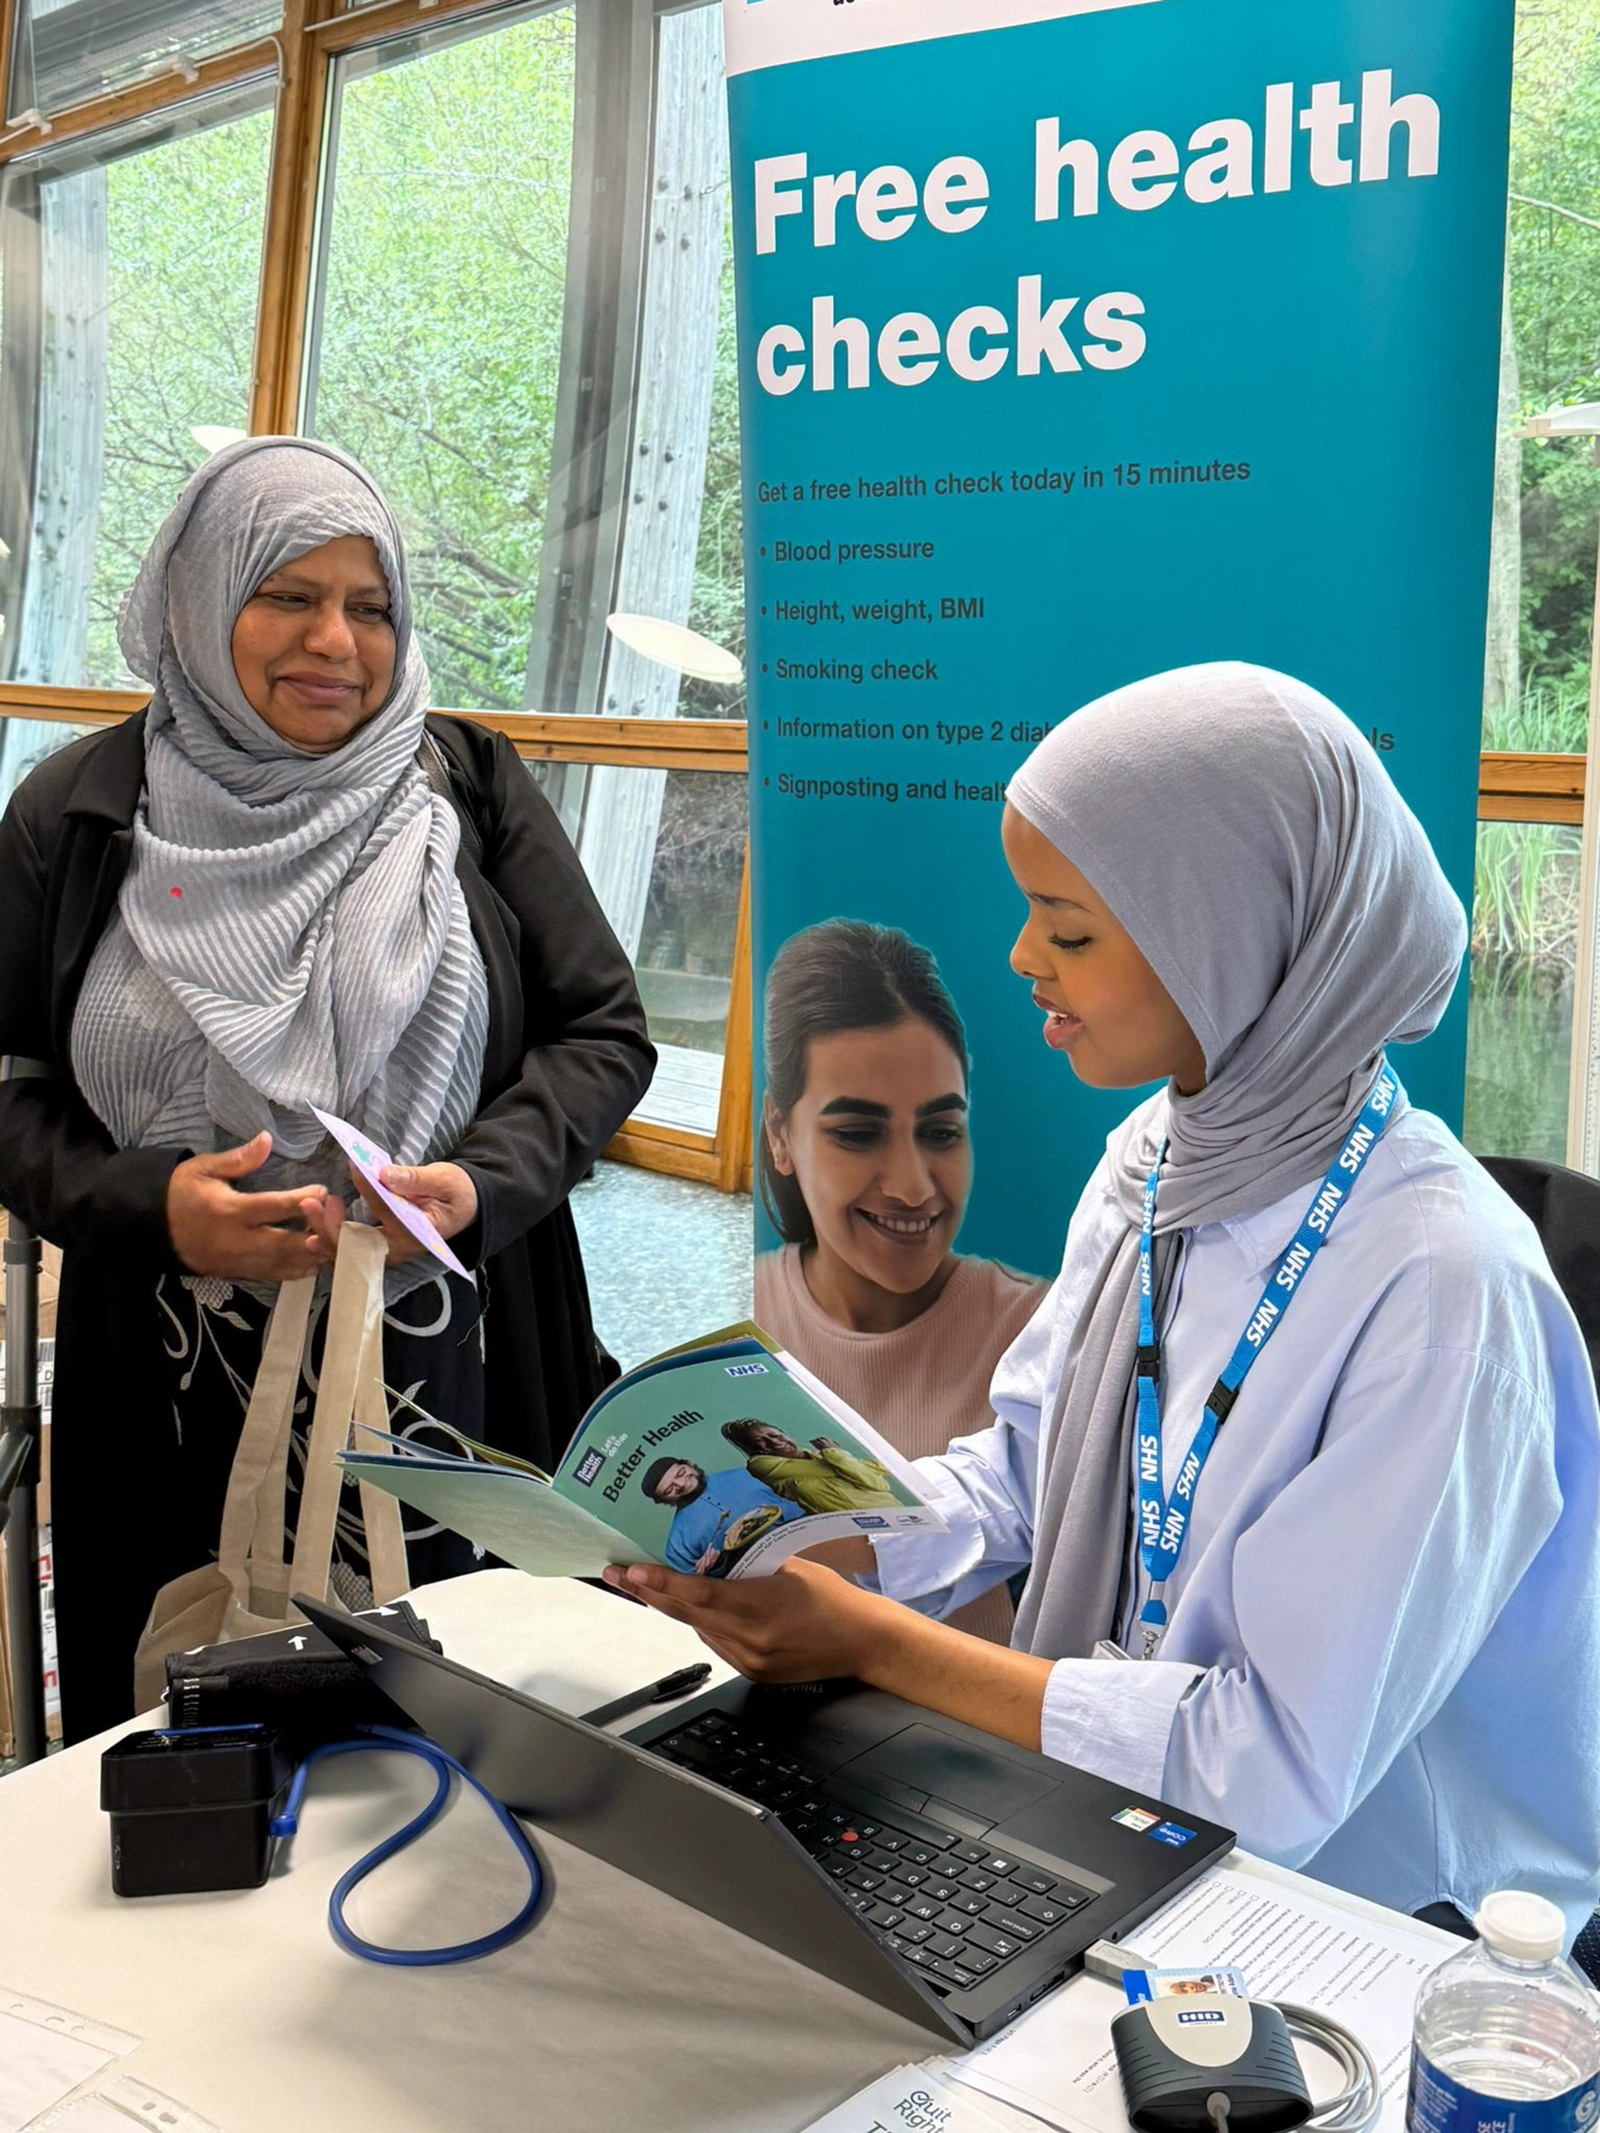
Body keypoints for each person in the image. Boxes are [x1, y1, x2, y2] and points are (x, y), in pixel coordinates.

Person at [609, 662, 1600, 1942]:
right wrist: (805, 1534)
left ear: (1233, 938)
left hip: (1370, 1910)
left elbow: (1272, 1771)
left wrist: (868, 1641)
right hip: (1111, 1815)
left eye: (1068, 928)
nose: (1022, 958)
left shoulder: (1441, 1293)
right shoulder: (1159, 1160)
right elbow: (1030, 1468)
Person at [0, 437, 655, 1743]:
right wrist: (151, 1203)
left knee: (473, 1743)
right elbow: (7, 1083)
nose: (336, 643)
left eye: (370, 607)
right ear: (198, 600)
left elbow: (604, 1033)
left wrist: (482, 1178)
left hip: (454, 1357)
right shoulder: (79, 814)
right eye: (288, 596)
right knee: (195, 1740)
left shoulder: (466, 785)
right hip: (177, 1379)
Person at [754, 918, 1047, 1644]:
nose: (914, 1187)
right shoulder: (737, 1311)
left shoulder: (1040, 1330)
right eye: (858, 1133)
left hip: (963, 1732)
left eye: (941, 1131)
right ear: (780, 1136)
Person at [640, 1457, 803, 1576]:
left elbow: (802, 1498)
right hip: (766, 1581)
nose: (682, 1484)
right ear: (661, 1500)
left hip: (805, 1542)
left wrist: (780, 1511)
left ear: (689, 1463)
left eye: (681, 1473)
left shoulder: (746, 1473)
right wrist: (712, 1569)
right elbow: (698, 1589)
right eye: (669, 1490)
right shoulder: (677, 1544)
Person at [720, 1419, 900, 1514]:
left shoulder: (819, 1456)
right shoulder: (760, 1465)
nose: (774, 1442)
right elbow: (874, 1480)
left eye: (774, 1434)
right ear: (756, 1450)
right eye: (761, 1441)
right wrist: (838, 1457)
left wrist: (840, 1462)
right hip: (858, 1527)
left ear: (784, 1433)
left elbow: (879, 1485)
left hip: (892, 1510)